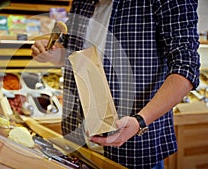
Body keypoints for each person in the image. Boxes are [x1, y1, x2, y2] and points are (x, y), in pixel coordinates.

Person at [31, 0, 200, 168]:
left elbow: (186, 69)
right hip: (77, 141)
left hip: (134, 145)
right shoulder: (82, 3)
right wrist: (52, 55)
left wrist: (140, 121)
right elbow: (69, 50)